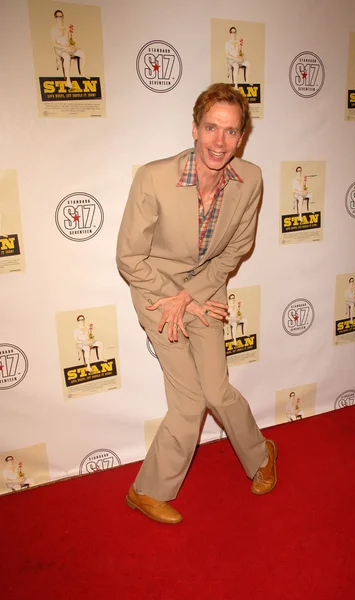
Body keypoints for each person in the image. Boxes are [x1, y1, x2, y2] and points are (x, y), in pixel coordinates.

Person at [117, 83, 278, 525]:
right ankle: (146, 491)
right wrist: (177, 301)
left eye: (230, 131)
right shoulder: (153, 177)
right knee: (189, 403)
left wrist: (192, 296)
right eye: (211, 127)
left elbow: (235, 251)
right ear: (194, 128)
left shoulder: (251, 180)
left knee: (217, 390)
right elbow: (129, 258)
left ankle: (263, 454)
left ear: (241, 136)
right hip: (156, 295)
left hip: (203, 294)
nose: (219, 141)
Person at [51, 9, 90, 89]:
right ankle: (68, 80)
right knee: (66, 57)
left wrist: (72, 45)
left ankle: (82, 72)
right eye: (58, 17)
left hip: (67, 48)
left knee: (82, 54)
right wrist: (64, 47)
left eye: (61, 16)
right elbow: (54, 44)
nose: (60, 18)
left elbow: (69, 40)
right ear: (55, 18)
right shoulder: (53, 29)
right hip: (60, 49)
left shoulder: (65, 28)